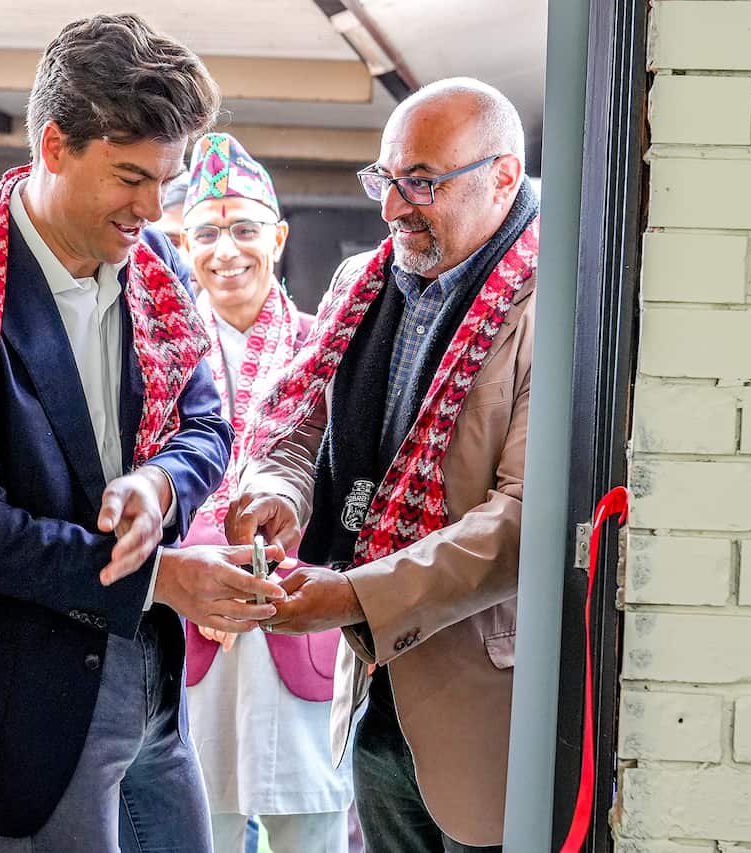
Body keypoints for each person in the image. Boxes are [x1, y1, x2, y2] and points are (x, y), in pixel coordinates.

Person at [0, 14, 284, 853]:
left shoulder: (156, 267)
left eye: (164, 182)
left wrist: (159, 483)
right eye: (130, 177)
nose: (152, 210)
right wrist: (159, 579)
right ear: (54, 146)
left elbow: (208, 423)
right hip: (29, 715)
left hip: (153, 697)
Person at [226, 78, 540, 852]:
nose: (393, 207)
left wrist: (352, 595)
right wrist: (278, 494)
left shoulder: (551, 302)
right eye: (386, 180)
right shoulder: (361, 283)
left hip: (486, 710)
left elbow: (519, 523)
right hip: (371, 693)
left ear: (503, 177)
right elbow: (301, 427)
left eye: (423, 182)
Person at [177, 133, 354, 853]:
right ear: (182, 244)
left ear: (277, 237)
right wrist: (201, 564)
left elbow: (345, 484)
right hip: (196, 620)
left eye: (245, 229)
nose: (228, 250)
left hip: (296, 614)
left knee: (310, 828)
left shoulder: (325, 350)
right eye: (208, 232)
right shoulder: (160, 355)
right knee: (192, 823)